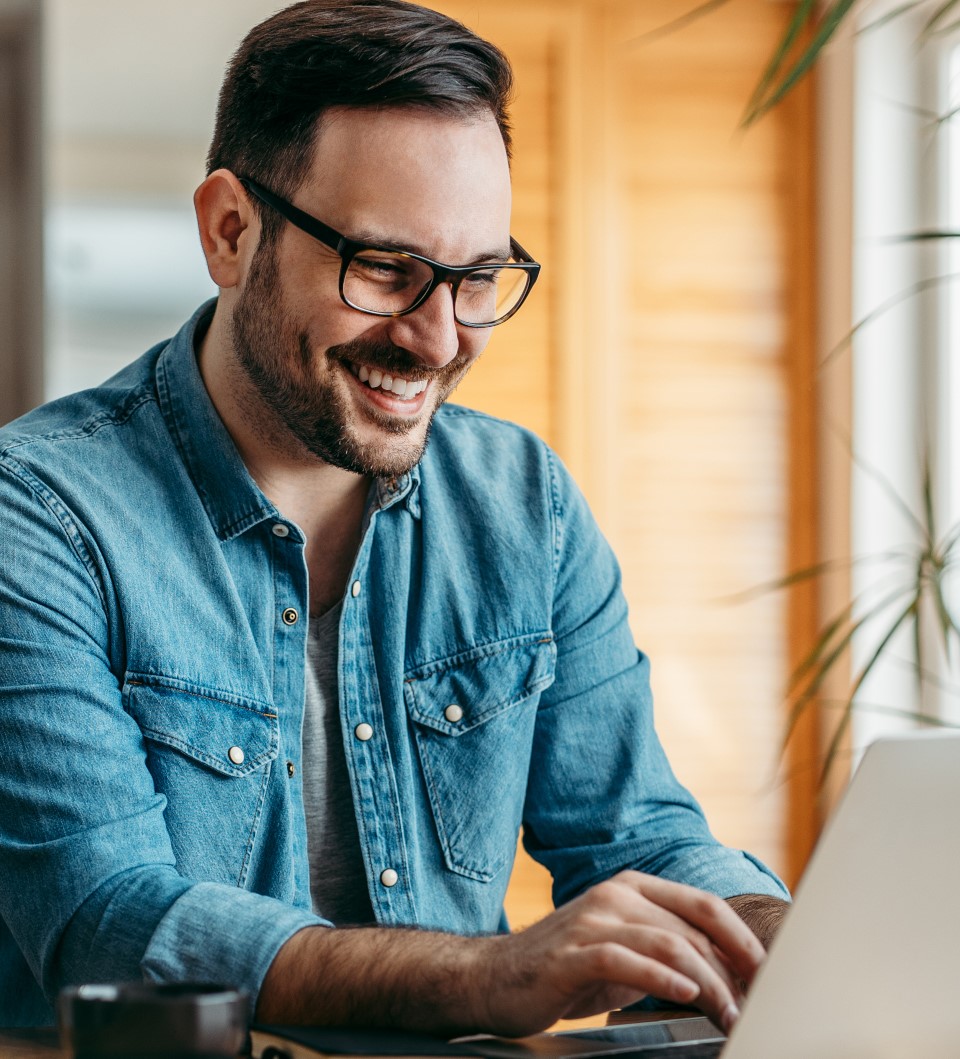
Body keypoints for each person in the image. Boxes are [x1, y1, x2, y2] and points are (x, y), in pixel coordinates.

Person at [0, 0, 789, 1036]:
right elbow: (109, 919)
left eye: (477, 279)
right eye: (385, 269)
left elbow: (633, 830)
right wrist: (491, 976)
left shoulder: (524, 503)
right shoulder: (42, 515)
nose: (439, 337)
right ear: (231, 231)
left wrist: (773, 932)